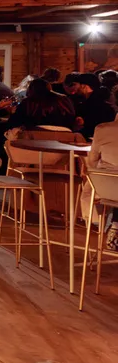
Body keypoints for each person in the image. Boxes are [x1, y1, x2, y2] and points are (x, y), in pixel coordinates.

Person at [86, 120, 118, 250]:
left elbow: (92, 162)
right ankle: (115, 225)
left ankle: (109, 225)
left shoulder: (102, 129)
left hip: (105, 187)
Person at [9, 78, 76, 130]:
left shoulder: (28, 102)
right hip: (65, 135)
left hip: (34, 138)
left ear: (31, 89)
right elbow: (72, 119)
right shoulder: (64, 99)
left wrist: (12, 112)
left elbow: (15, 122)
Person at [66, 72, 117, 139]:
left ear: (84, 86)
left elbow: (92, 128)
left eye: (75, 84)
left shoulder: (93, 105)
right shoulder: (101, 102)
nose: (74, 88)